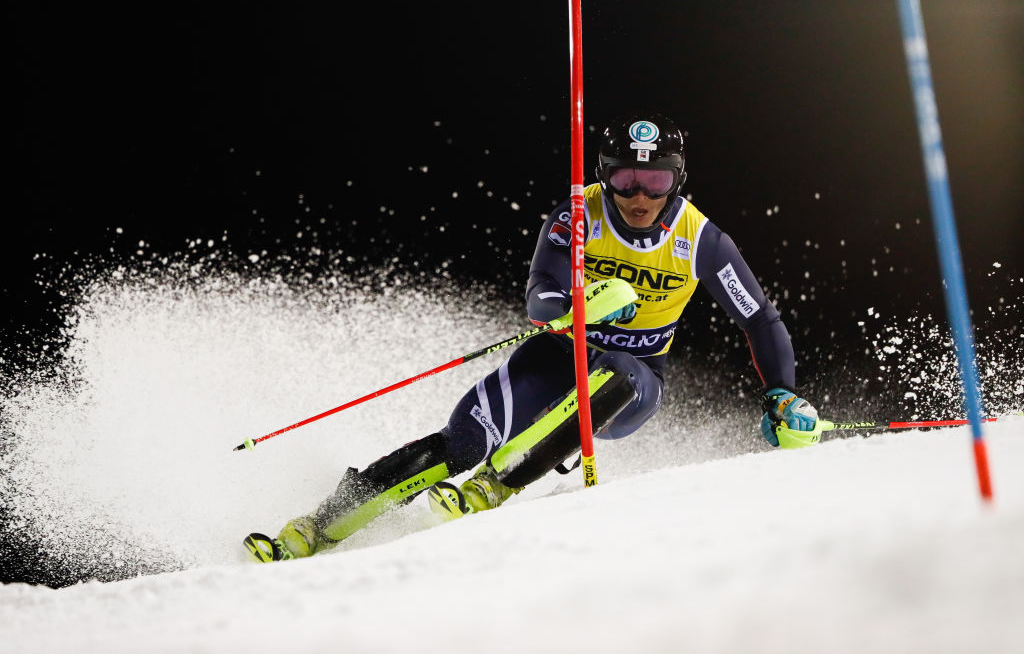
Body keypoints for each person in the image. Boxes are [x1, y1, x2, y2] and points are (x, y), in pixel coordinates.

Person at [243, 113, 821, 563]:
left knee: (618, 371)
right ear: (605, 174)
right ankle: (318, 527)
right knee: (463, 441)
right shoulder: (577, 215)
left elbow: (759, 319)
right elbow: (540, 292)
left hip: (635, 380)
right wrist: (573, 307)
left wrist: (781, 392)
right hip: (555, 354)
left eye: (656, 180)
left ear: (677, 181)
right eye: (625, 178)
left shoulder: (701, 241)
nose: (639, 196)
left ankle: (499, 485)